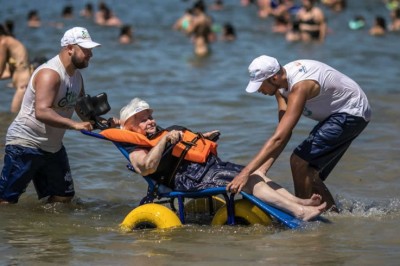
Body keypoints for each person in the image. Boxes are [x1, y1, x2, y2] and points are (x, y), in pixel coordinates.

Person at [108, 97, 326, 221]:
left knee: (256, 172)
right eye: (144, 120)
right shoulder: (137, 147)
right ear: (132, 126)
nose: (151, 121)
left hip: (207, 169)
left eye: (150, 117)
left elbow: (182, 149)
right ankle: (298, 212)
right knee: (248, 180)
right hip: (188, 180)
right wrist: (165, 142)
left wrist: (202, 138)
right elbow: (146, 168)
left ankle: (299, 202)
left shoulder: (156, 134)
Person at [227, 55, 371, 212]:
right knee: (308, 173)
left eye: (260, 85)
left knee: (299, 162)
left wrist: (245, 173)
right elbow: (284, 132)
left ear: (274, 78)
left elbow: (278, 138)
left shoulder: (300, 87)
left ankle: (302, 212)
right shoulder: (280, 89)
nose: (259, 90)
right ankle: (334, 216)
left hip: (352, 111)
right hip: (336, 114)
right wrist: (262, 169)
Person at [0, 27, 101, 204]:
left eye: (90, 49)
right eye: (86, 49)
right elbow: (42, 111)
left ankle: (44, 228)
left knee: (63, 197)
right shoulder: (50, 74)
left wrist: (105, 122)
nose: (90, 54)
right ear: (70, 48)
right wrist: (74, 124)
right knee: (6, 201)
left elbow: (82, 108)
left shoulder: (77, 77)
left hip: (53, 148)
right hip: (25, 144)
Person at [0, 24, 32, 113]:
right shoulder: (10, 42)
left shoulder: (4, 42)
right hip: (24, 81)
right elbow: (9, 73)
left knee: (13, 114)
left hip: (23, 84)